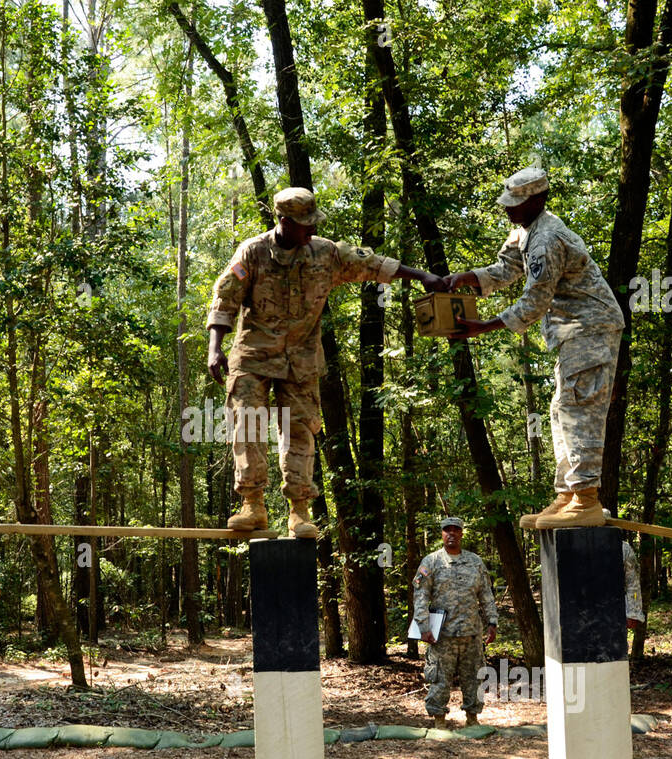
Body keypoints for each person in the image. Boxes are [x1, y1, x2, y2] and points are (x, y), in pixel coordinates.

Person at [207, 187, 445, 538]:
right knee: (247, 423)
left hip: (301, 359)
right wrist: (215, 348)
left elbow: (373, 264)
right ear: (283, 221)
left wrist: (423, 276)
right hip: (253, 356)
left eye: (313, 222)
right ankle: (252, 505)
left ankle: (299, 511)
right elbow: (225, 298)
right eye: (304, 223)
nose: (312, 229)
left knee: (301, 430)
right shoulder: (253, 252)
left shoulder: (326, 253)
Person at [444, 168, 625, 529]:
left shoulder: (547, 239)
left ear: (538, 200)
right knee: (561, 409)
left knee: (579, 408)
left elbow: (534, 302)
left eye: (517, 203)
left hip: (590, 329)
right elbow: (506, 268)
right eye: (508, 202)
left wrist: (484, 326)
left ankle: (586, 498)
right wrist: (469, 278)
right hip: (572, 333)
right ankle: (567, 495)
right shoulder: (525, 231)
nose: (508, 208)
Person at [413, 517, 498, 728]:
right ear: (442, 534)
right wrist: (423, 626)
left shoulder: (475, 562)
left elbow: (486, 594)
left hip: (471, 633)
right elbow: (421, 596)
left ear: (461, 533)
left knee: (474, 678)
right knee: (440, 678)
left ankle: (472, 718)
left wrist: (492, 621)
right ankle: (439, 721)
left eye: (455, 530)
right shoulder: (431, 562)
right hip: (442, 635)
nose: (451, 533)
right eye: (447, 530)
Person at [605, 508, 646, 632]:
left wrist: (633, 613)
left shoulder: (623, 548)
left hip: (615, 606)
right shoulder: (580, 545)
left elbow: (632, 583)